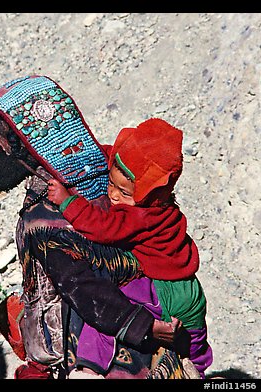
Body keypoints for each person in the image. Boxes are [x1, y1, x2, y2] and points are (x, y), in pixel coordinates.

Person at [46, 117, 213, 378]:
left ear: (150, 194)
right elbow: (112, 155)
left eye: (124, 193)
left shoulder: (143, 215)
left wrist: (67, 202)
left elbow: (103, 227)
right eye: (111, 184)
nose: (113, 195)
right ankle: (200, 369)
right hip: (190, 288)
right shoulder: (156, 200)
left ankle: (89, 367)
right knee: (195, 342)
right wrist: (85, 154)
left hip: (165, 289)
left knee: (108, 306)